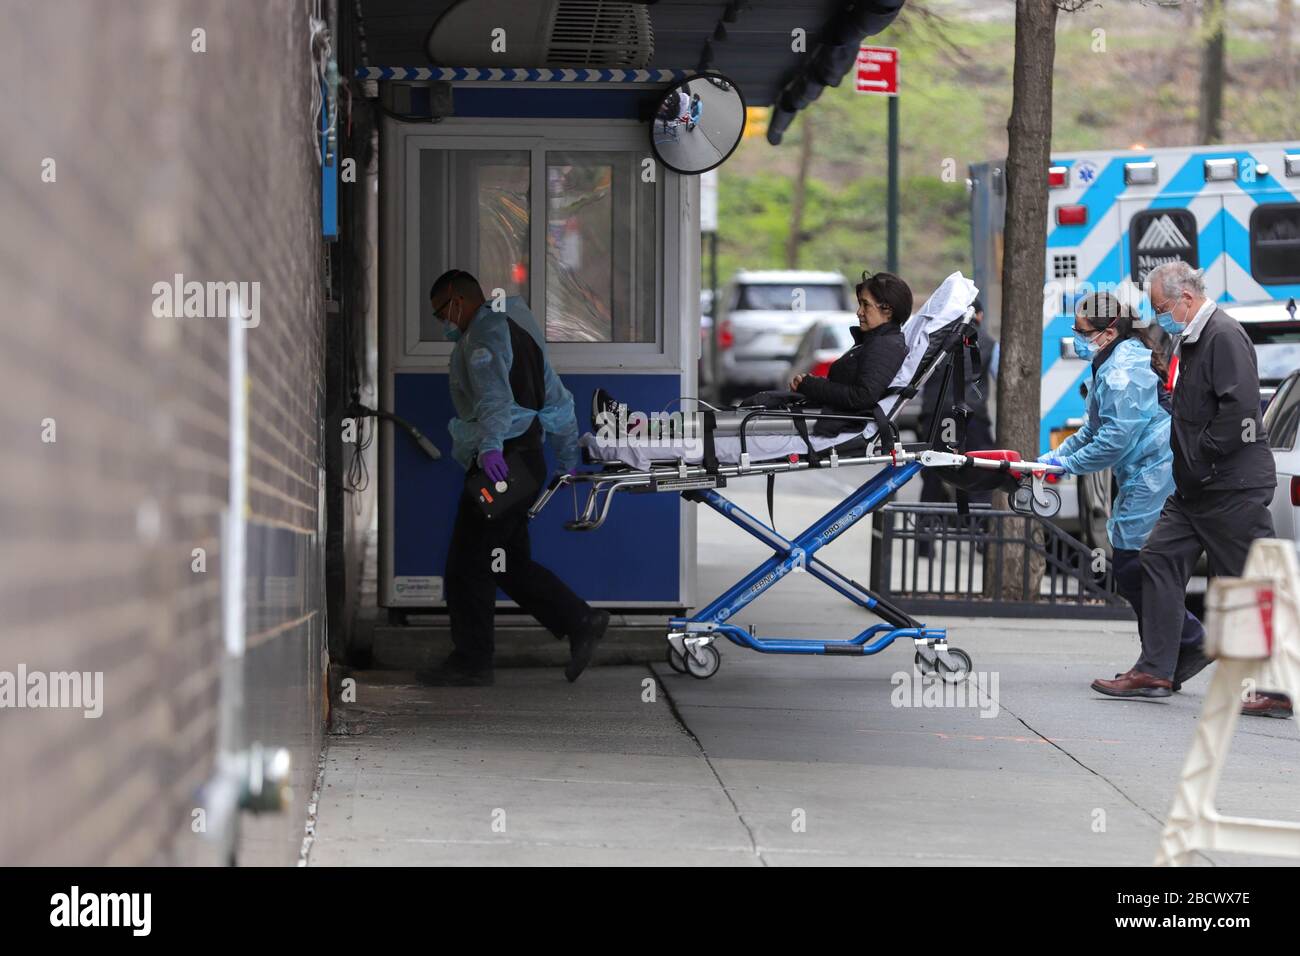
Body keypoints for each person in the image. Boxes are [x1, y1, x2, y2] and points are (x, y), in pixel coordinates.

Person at [1090, 262, 1291, 717]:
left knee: (1247, 583)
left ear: (1185, 297)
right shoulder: (1192, 336)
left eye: (1162, 308)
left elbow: (1241, 412)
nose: (1160, 316)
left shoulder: (1222, 334)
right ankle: (1157, 668)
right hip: (1197, 487)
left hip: (1229, 485)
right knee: (1156, 557)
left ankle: (1275, 687)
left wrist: (1201, 452)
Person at [421, 269, 610, 687]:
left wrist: (489, 447)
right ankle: (579, 619)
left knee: (468, 562)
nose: (443, 324)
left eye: (442, 314)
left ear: (458, 300)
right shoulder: (516, 327)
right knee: (505, 561)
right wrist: (562, 457)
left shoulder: (483, 340)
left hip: (502, 465)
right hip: (526, 464)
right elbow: (557, 398)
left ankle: (472, 662)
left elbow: (493, 399)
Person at [1036, 293, 1205, 686]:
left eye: (1082, 331)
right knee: (1138, 566)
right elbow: (1096, 429)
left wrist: (1068, 463)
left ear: (1108, 332)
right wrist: (1054, 458)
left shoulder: (1122, 372)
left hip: (1156, 473)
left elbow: (1115, 439)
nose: (1076, 338)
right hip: (1147, 471)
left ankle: (1183, 643)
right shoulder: (1111, 363)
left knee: (1136, 566)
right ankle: (1164, 660)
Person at [788, 270, 911, 431]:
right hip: (841, 426)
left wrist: (811, 385)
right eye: (860, 304)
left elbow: (862, 397)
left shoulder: (885, 345)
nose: (859, 312)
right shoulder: (877, 342)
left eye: (865, 304)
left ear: (887, 310)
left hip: (845, 430)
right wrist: (810, 385)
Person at [919, 298, 995, 508]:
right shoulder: (988, 342)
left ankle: (925, 536)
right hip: (972, 418)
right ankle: (979, 535)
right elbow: (1001, 376)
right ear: (978, 315)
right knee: (977, 474)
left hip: (936, 417)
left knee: (933, 476)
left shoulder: (934, 341)